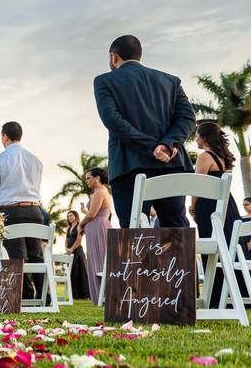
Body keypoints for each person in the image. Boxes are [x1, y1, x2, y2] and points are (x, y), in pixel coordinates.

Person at [93, 35, 196, 228]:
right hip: (170, 166)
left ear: (114, 57)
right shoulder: (170, 81)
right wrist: (167, 144)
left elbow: (113, 120)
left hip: (128, 166)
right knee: (175, 230)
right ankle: (179, 260)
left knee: (133, 234)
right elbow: (188, 118)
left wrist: (153, 147)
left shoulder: (104, 81)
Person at [189, 122, 248, 307]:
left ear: (204, 138)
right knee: (228, 246)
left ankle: (215, 296)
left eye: (198, 136)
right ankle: (236, 293)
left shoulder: (205, 157)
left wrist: (192, 206)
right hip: (228, 205)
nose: (196, 140)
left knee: (212, 248)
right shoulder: (225, 157)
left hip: (209, 206)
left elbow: (197, 186)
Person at [0, 122, 44, 299]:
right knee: (37, 256)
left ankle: (26, 296)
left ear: (5, 136)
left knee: (17, 258)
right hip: (35, 211)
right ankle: (44, 296)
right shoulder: (36, 160)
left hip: (10, 212)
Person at [79, 168, 113, 304]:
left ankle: (103, 296)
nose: (86, 181)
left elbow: (92, 214)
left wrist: (81, 224)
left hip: (98, 227)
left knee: (100, 260)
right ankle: (100, 296)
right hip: (96, 227)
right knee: (97, 259)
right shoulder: (100, 192)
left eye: (88, 178)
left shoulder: (100, 191)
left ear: (97, 178)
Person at [64, 210, 89, 300]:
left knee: (81, 272)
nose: (69, 217)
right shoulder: (68, 228)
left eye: (71, 215)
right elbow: (66, 240)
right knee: (72, 272)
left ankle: (86, 295)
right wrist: (67, 249)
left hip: (78, 251)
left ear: (76, 216)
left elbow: (79, 240)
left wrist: (72, 249)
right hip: (70, 252)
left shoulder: (79, 226)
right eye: (68, 216)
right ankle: (75, 295)